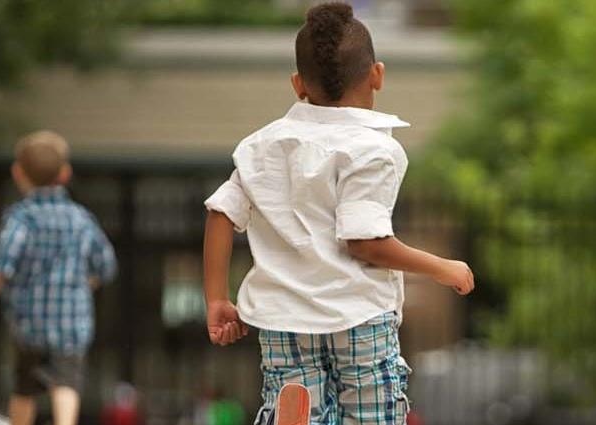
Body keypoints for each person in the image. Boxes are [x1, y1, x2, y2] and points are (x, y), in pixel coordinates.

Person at [200, 3, 475, 424]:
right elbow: (365, 243)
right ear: (377, 75)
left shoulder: (262, 145)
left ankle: (297, 414)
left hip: (284, 317)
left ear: (297, 84)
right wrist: (442, 267)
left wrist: (217, 298)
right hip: (358, 314)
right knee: (370, 415)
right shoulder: (374, 150)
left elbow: (221, 213)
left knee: (295, 396)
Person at [0, 130, 118, 425]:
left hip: (30, 322)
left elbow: (6, 255)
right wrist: (88, 282)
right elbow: (105, 263)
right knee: (66, 383)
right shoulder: (81, 218)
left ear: (17, 173)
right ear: (65, 173)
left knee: (25, 386)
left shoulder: (21, 218)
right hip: (71, 322)